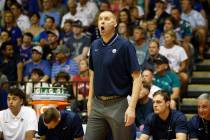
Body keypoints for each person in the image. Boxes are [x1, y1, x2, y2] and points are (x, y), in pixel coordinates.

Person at [85, 10, 142, 140]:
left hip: (119, 104)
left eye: (106, 19)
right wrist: (89, 101)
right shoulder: (94, 45)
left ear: (115, 23)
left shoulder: (125, 45)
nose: (102, 22)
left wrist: (132, 108)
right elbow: (92, 74)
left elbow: (137, 77)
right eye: (100, 19)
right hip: (97, 105)